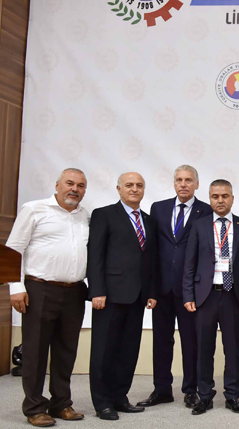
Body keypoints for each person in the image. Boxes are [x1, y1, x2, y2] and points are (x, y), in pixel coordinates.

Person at [7, 168, 89, 427]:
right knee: (36, 351)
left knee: (66, 350)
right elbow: (13, 249)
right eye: (70, 183)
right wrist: (15, 287)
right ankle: (34, 408)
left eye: (80, 186)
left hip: (75, 291)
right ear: (57, 185)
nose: (74, 189)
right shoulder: (34, 209)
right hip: (39, 289)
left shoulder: (84, 216)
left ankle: (61, 403)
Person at [138, 165, 212, 409]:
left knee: (191, 342)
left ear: (196, 184)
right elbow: (152, 250)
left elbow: (206, 252)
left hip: (190, 290)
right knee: (161, 341)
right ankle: (161, 390)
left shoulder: (206, 211)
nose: (183, 184)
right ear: (173, 183)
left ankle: (190, 390)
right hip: (161, 289)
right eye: (179, 180)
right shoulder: (158, 208)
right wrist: (150, 289)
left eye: (188, 180)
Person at [87, 172, 158, 421]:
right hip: (109, 295)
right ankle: (102, 403)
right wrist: (97, 290)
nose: (134, 189)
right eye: (129, 185)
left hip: (137, 296)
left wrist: (151, 292)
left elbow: (150, 259)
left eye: (139, 185)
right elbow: (95, 254)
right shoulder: (104, 214)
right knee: (104, 351)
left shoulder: (149, 220)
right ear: (119, 189)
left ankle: (119, 397)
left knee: (128, 351)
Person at [182, 179, 239, 416]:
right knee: (204, 348)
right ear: (209, 198)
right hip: (205, 296)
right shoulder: (199, 226)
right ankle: (205, 396)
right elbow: (189, 263)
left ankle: (232, 395)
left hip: (233, 296)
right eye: (215, 196)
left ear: (232, 198)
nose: (220, 200)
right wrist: (188, 294)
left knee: (232, 349)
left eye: (224, 196)